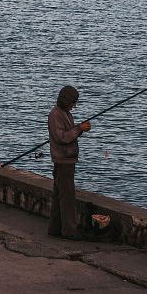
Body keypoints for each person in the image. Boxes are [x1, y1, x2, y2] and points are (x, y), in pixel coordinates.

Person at [47, 85, 92, 239]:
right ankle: (70, 231)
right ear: (66, 101)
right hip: (63, 161)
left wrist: (80, 129)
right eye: (73, 102)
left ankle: (55, 228)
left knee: (59, 194)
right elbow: (62, 138)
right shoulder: (55, 115)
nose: (74, 105)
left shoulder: (64, 113)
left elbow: (67, 134)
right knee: (67, 197)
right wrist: (79, 128)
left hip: (66, 159)